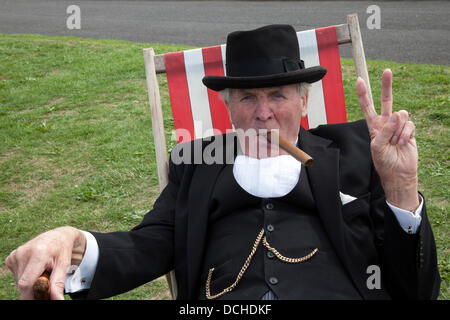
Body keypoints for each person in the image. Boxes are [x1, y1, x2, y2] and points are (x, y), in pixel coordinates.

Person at [6, 24, 440, 300]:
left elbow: (415, 289)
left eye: (278, 96)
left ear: (303, 102)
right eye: (247, 97)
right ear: (228, 107)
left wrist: (401, 186)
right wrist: (73, 240)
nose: (263, 112)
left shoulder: (356, 150)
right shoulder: (196, 163)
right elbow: (150, 244)